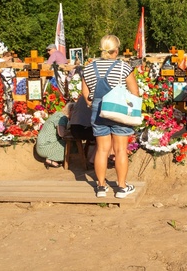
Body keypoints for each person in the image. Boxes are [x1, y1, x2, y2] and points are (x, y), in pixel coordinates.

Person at [81, 35, 140, 199]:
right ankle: (121, 188)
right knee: (121, 150)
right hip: (118, 110)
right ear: (116, 50)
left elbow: (85, 93)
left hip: (98, 110)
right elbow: (135, 92)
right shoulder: (123, 67)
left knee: (101, 149)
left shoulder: (89, 68)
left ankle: (101, 186)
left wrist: (91, 105)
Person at [35, 102, 73, 169]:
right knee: (71, 145)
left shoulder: (57, 114)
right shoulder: (62, 117)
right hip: (46, 147)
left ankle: (54, 158)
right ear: (71, 110)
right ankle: (51, 159)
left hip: (41, 146)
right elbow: (61, 133)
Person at [68, 96, 96, 168]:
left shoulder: (82, 97)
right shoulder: (94, 97)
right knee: (104, 136)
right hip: (82, 129)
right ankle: (93, 160)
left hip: (74, 128)